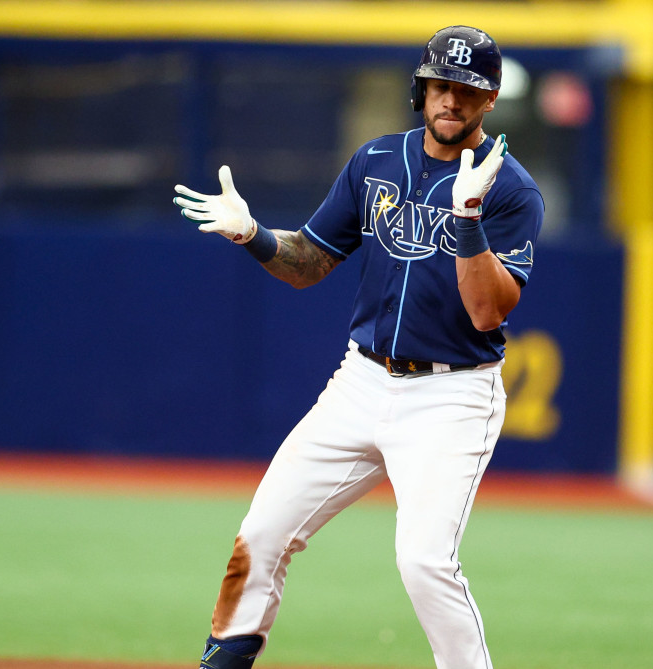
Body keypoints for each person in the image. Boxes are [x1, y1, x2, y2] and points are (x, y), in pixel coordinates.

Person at [173, 25, 543, 669]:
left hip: (452, 394)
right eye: (439, 85)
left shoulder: (511, 189)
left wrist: (468, 218)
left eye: (466, 90)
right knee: (262, 534)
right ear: (420, 88)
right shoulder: (375, 161)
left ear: (489, 101)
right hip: (362, 381)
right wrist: (254, 234)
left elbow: (487, 311)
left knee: (425, 562)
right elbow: (308, 263)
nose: (450, 101)